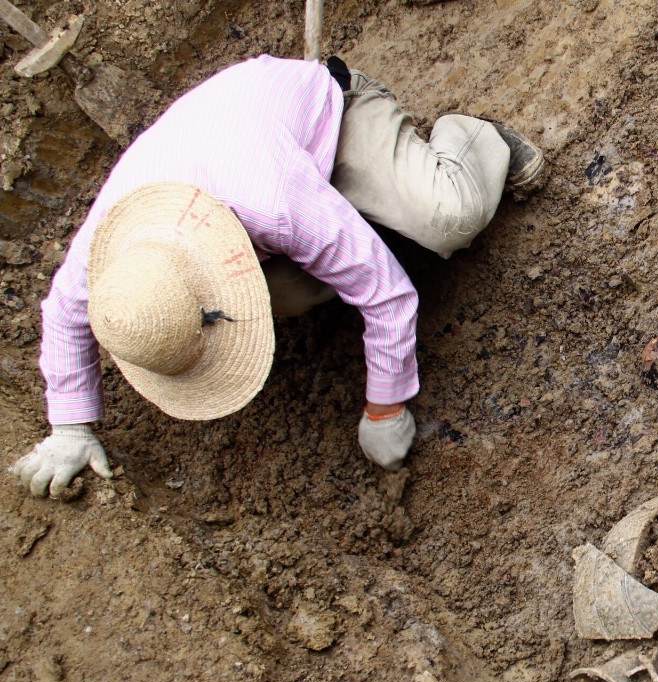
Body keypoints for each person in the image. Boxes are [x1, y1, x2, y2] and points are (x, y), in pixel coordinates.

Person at [9, 54, 543, 499]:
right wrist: (70, 428)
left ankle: (469, 141)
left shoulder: (273, 204)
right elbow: (60, 313)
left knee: (447, 219)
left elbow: (388, 294)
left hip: (331, 117)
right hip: (241, 154)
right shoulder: (112, 247)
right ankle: (348, 239)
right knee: (288, 292)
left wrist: (385, 406)